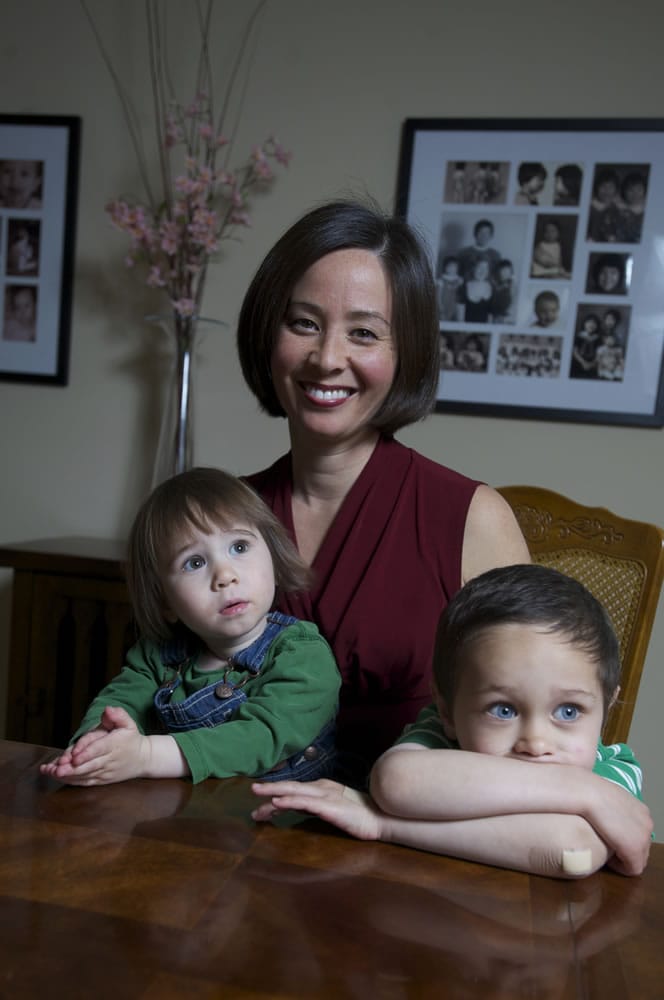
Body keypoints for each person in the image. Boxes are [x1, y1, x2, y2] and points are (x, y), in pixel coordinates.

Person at [237, 199, 529, 784]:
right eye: (304, 323)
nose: (327, 358)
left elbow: (531, 736)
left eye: (364, 333)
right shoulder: (222, 516)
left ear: (405, 355)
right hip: (233, 835)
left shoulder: (473, 520)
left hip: (412, 847)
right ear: (269, 333)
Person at [252, 564, 653, 879]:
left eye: (568, 712)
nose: (535, 742)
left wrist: (385, 825)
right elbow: (397, 781)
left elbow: (569, 852)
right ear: (446, 711)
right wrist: (583, 793)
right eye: (504, 710)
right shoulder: (444, 731)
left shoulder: (614, 770)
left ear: (607, 707)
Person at [40, 467, 341, 786]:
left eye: (239, 547)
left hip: (286, 822)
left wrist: (146, 755)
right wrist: (98, 745)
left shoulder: (302, 654)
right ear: (165, 601)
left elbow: (261, 736)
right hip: (190, 819)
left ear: (275, 560)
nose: (225, 575)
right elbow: (122, 699)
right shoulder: (158, 656)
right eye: (194, 563)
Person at [456, 258, 493, 322]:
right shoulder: (463, 287)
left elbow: (490, 316)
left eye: (486, 268)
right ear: (473, 269)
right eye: (479, 267)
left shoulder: (491, 287)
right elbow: (460, 317)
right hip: (466, 330)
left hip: (484, 330)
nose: (482, 271)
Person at [569, 312, 601, 379]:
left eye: (594, 323)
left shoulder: (598, 339)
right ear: (584, 324)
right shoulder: (579, 336)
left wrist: (592, 364)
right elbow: (575, 352)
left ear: (597, 326)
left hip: (592, 364)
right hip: (578, 362)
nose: (591, 325)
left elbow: (599, 353)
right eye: (589, 322)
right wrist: (583, 363)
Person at [436, 255, 464, 321]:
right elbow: (438, 295)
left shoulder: (460, 280)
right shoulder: (441, 280)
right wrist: (440, 306)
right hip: (444, 305)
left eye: (454, 266)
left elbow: (461, 295)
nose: (452, 269)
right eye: (449, 266)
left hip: (456, 306)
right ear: (445, 267)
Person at [490, 258, 515, 323]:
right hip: (492, 316)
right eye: (503, 271)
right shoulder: (493, 284)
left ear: (511, 272)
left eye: (507, 271)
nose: (505, 274)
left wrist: (505, 317)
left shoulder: (513, 285)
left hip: (505, 317)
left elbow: (513, 303)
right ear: (499, 271)